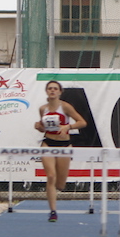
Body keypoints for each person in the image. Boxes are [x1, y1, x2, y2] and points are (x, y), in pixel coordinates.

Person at [34, 80, 87, 223]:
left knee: (60, 184)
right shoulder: (43, 109)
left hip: (64, 145)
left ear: (60, 92)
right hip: (48, 143)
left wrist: (68, 127)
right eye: (50, 88)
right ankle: (53, 211)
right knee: (51, 176)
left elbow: (82, 122)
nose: (52, 91)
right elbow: (44, 127)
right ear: (46, 91)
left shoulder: (65, 107)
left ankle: (58, 189)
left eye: (55, 88)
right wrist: (39, 126)